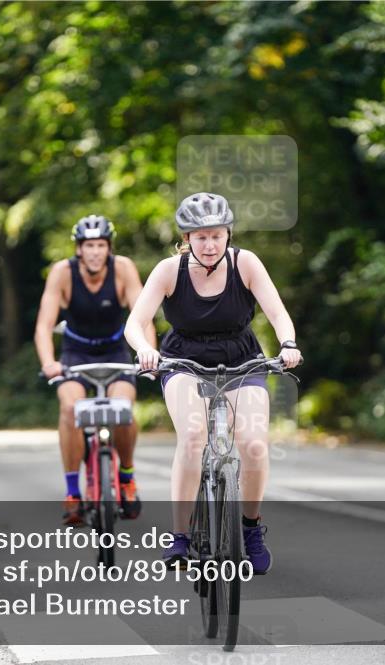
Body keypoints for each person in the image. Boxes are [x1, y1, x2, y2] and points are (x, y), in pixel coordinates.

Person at [124, 192, 302, 574]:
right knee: (192, 437)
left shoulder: (246, 264)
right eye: (200, 236)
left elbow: (278, 314)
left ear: (228, 235)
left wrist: (287, 344)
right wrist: (144, 350)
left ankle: (250, 529)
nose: (209, 244)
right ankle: (180, 537)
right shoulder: (169, 271)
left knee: (253, 445)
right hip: (183, 360)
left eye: (216, 235)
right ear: (186, 238)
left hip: (242, 359)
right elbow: (135, 323)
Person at [34, 215, 156, 525]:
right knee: (70, 409)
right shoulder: (62, 273)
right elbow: (44, 325)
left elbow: (143, 319)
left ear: (108, 248)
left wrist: (147, 354)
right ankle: (74, 492)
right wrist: (49, 362)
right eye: (88, 245)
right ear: (78, 249)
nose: (95, 252)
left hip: (115, 351)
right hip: (76, 353)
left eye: (100, 245)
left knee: (124, 409)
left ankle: (126, 478)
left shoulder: (123, 269)